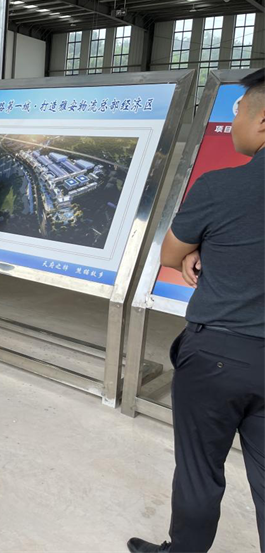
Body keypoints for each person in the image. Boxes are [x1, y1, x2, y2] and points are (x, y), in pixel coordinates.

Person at [127, 69, 265, 553]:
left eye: (238, 110)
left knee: (200, 471)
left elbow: (170, 253)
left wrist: (198, 248)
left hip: (219, 355)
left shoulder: (221, 186)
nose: (234, 120)